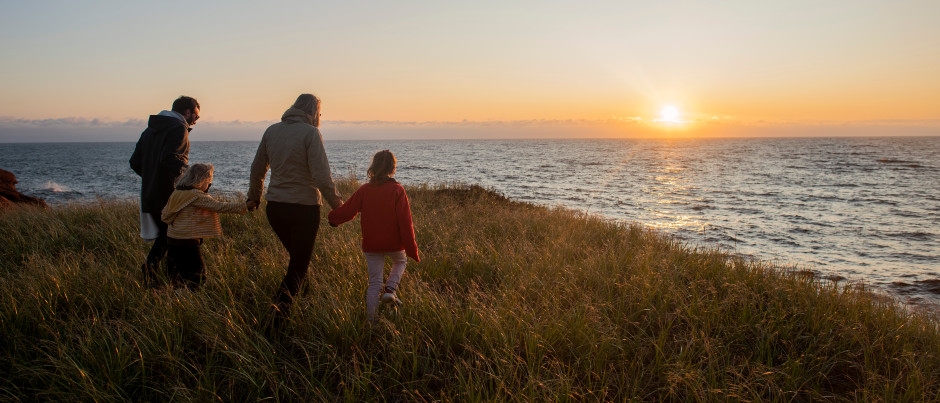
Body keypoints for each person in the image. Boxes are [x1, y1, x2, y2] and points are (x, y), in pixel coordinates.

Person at [247, 93, 343, 324]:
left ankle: (305, 298)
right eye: (319, 113)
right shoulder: (311, 133)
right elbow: (321, 177)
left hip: (276, 209)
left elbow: (257, 168)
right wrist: (338, 207)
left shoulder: (271, 131)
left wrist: (254, 197)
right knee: (298, 266)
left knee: (298, 260)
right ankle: (274, 321)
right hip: (303, 210)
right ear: (313, 112)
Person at [328, 150, 420, 324]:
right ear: (392, 168)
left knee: (374, 283)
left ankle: (371, 321)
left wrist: (333, 219)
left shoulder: (364, 190)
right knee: (400, 262)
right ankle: (391, 289)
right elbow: (406, 223)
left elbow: (348, 210)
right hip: (395, 244)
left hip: (372, 244)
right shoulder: (397, 190)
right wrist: (412, 249)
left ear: (373, 167)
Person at [130, 95, 200, 287]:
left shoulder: (149, 130)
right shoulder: (179, 128)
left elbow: (134, 162)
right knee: (172, 236)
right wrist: (190, 178)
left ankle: (164, 279)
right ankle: (153, 269)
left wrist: (152, 177)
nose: (196, 120)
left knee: (167, 237)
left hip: (149, 193)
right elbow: (171, 160)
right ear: (187, 112)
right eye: (196, 116)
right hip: (169, 195)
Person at [161, 163, 247, 290]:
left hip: (172, 239)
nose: (209, 185)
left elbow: (165, 213)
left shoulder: (177, 192)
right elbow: (219, 206)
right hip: (187, 241)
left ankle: (177, 301)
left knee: (177, 277)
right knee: (198, 277)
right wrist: (245, 206)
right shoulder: (195, 195)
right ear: (201, 180)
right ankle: (190, 303)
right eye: (209, 182)